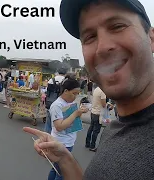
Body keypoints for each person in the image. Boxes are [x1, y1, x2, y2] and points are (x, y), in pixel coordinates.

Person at [24, 0, 154, 179]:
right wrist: (65, 159)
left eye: (117, 26)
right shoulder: (114, 127)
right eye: (90, 37)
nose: (102, 48)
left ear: (151, 38)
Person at [46, 75, 88, 180]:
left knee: (56, 169)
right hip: (61, 142)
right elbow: (59, 126)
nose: (75, 96)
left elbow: (73, 120)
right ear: (65, 91)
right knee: (62, 172)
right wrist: (75, 114)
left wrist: (80, 113)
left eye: (77, 94)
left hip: (68, 141)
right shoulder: (57, 105)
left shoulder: (70, 102)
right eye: (74, 93)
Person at [85, 85, 106, 152]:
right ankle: (92, 146)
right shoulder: (103, 91)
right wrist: (108, 105)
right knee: (96, 131)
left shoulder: (97, 89)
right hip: (98, 113)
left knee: (91, 128)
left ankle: (87, 143)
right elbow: (103, 104)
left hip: (93, 112)